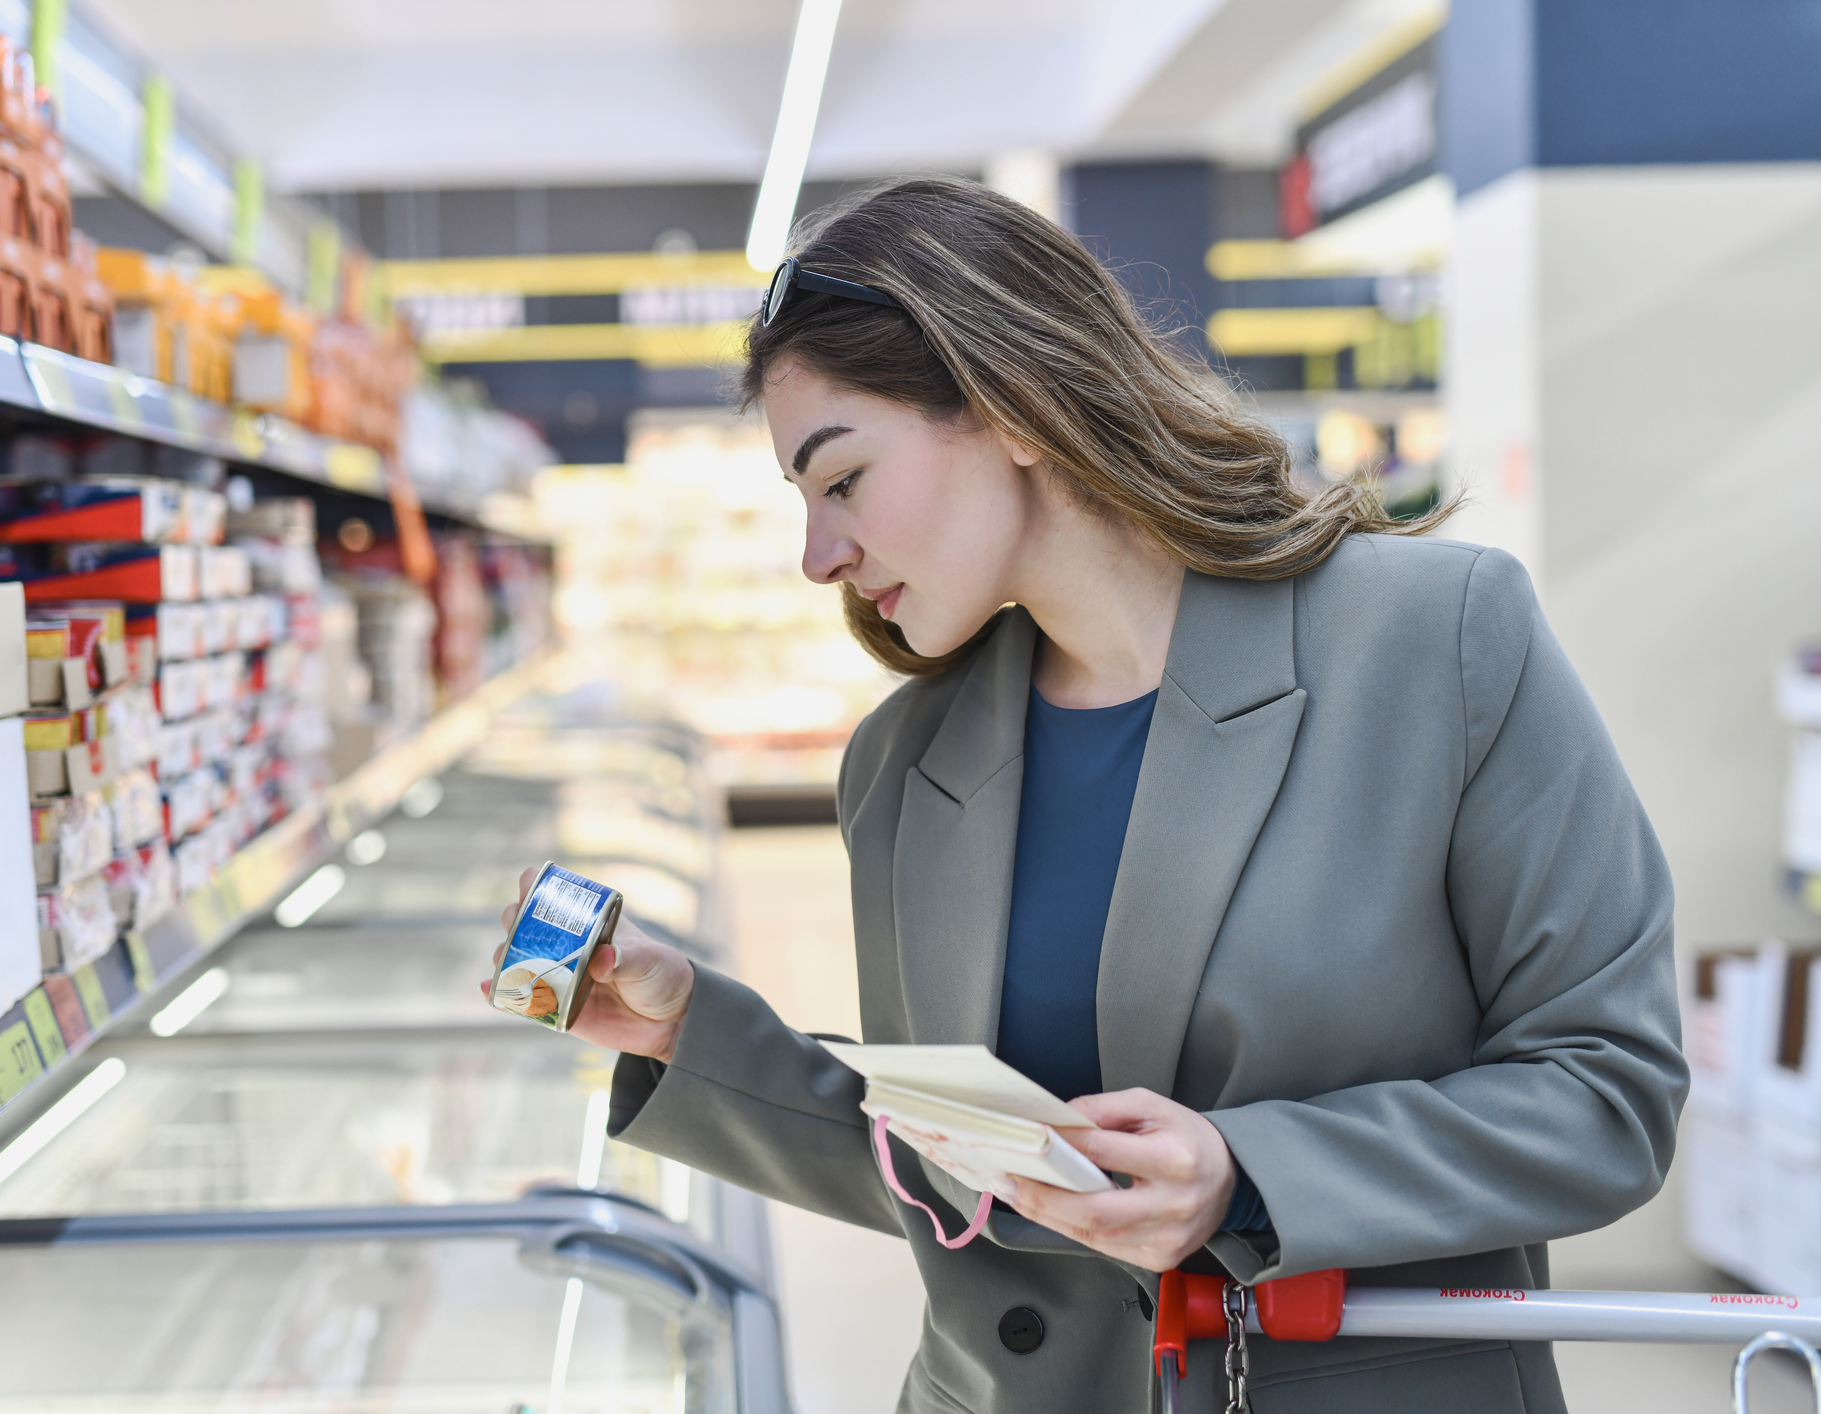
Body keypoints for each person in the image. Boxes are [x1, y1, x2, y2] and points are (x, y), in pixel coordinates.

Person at [497, 175, 1685, 1414]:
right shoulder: (904, 765)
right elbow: (969, 1166)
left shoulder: (1432, 644)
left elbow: (1606, 1086)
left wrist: (1250, 1174)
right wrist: (687, 1029)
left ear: (1013, 404)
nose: (818, 557)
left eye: (841, 478)